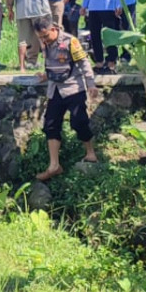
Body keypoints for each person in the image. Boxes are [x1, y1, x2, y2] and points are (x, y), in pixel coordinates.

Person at [33, 16, 99, 181]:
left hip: (73, 88)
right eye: (41, 37)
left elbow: (84, 63)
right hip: (54, 89)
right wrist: (45, 76)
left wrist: (91, 84)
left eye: (46, 36)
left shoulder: (70, 41)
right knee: (50, 125)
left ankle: (90, 153)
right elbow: (52, 64)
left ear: (53, 29)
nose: (44, 40)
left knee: (79, 122)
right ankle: (54, 165)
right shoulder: (45, 43)